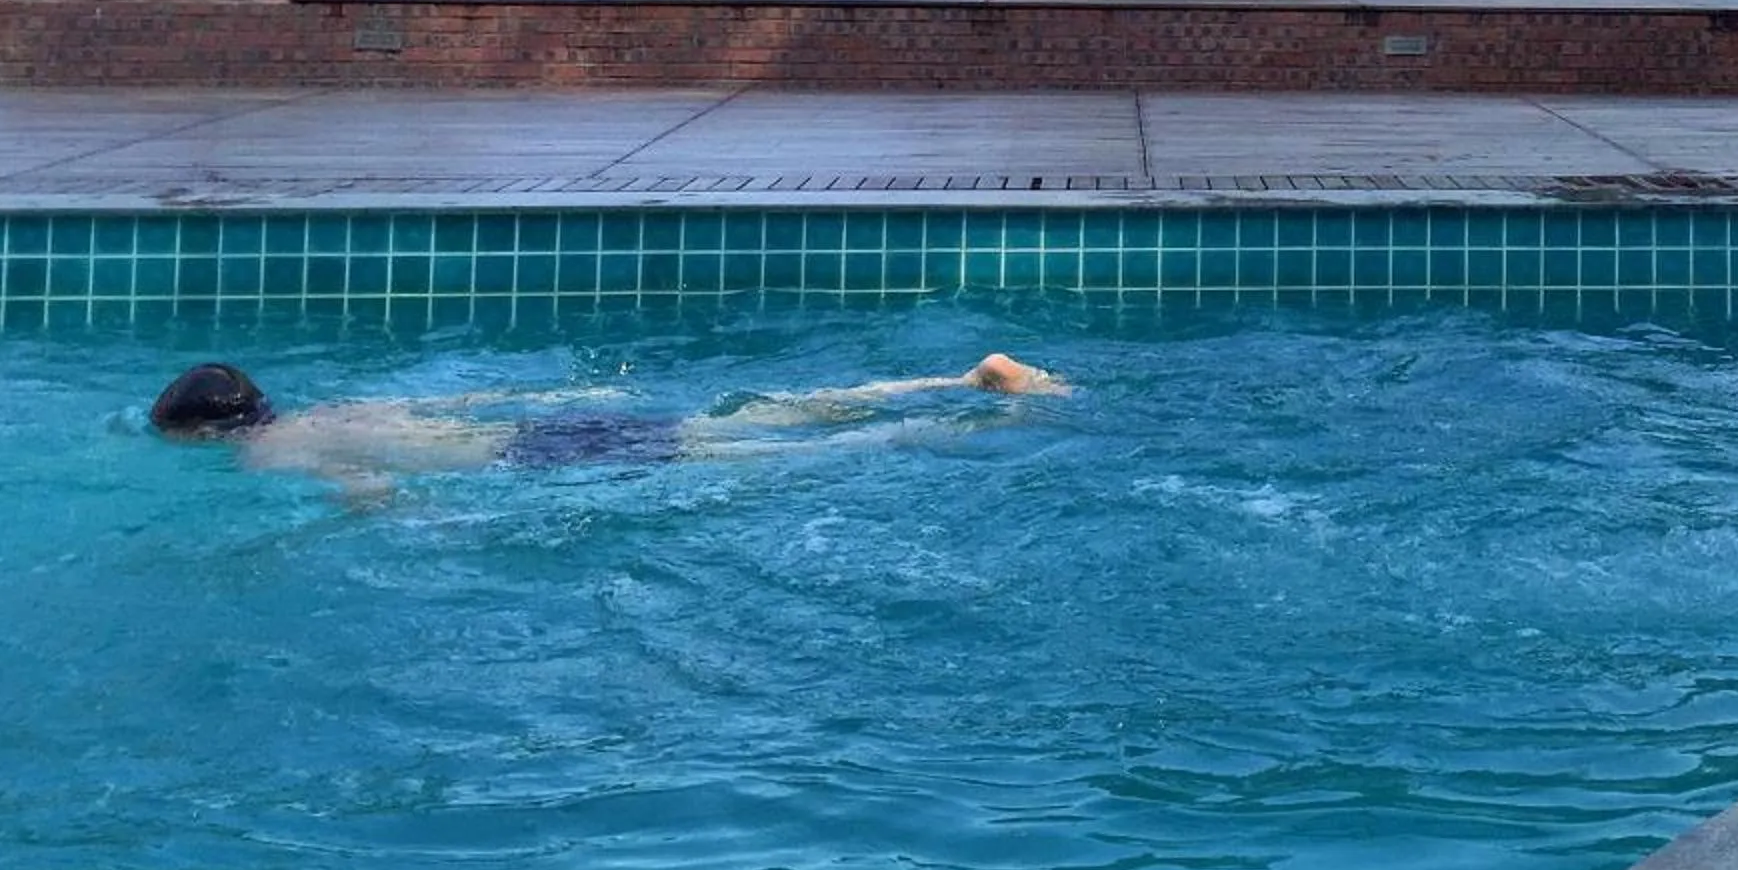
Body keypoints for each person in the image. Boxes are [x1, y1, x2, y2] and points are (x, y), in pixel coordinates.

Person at [149, 353, 1066, 497]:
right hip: (552, 424)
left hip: (531, 460)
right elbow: (457, 403)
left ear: (204, 434)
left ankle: (962, 420)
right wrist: (551, 398)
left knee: (798, 453)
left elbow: (372, 489)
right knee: (773, 414)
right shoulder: (328, 410)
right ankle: (950, 379)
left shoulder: (269, 456)